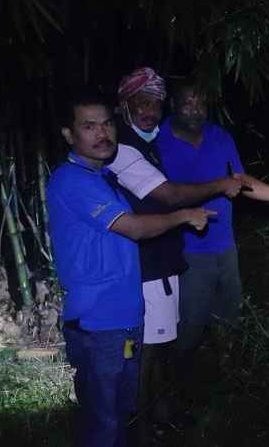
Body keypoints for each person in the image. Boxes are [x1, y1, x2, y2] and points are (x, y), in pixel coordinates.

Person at [47, 90, 215, 447]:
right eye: (89, 126)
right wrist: (184, 215)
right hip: (98, 320)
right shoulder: (72, 180)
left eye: (107, 123)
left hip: (124, 314)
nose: (102, 133)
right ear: (68, 134)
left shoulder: (101, 176)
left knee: (120, 413)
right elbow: (134, 228)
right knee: (103, 421)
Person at [105, 67, 243, 445]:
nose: (151, 111)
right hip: (146, 263)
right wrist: (221, 185)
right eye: (142, 103)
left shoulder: (146, 144)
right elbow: (169, 195)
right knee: (147, 352)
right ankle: (139, 430)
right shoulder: (123, 149)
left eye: (156, 103)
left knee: (159, 345)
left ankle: (163, 413)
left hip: (163, 259)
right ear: (122, 106)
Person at [156, 78, 269, 380]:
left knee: (228, 318)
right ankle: (182, 385)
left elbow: (240, 180)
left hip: (225, 247)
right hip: (186, 252)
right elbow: (166, 195)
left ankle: (229, 375)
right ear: (173, 105)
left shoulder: (219, 136)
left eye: (201, 102)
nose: (195, 108)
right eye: (188, 102)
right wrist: (220, 185)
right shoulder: (157, 141)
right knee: (188, 325)